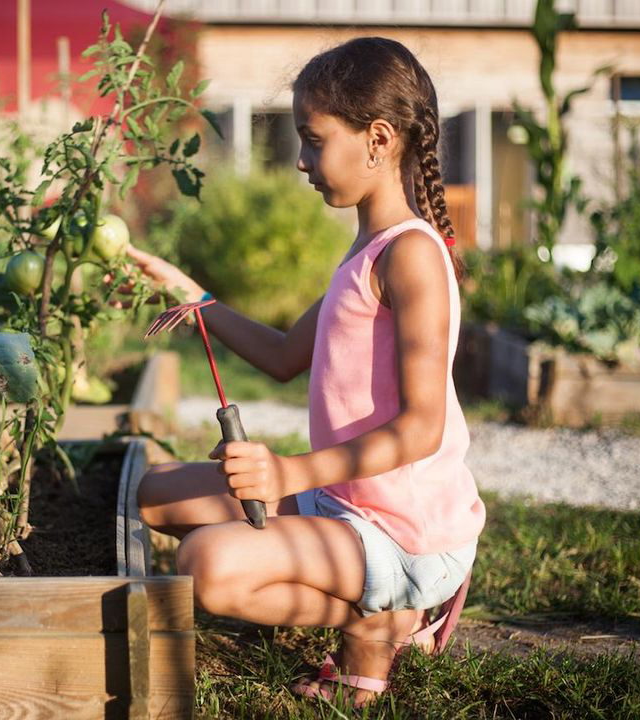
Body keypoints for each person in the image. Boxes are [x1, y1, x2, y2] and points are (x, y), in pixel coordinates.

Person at [114, 37, 486, 710]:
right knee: (154, 493)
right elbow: (286, 355)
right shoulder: (367, 249)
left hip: (406, 533)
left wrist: (287, 475)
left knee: (204, 566)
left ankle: (381, 624)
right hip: (347, 503)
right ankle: (368, 603)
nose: (301, 160)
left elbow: (421, 430)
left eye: (314, 141)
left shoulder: (412, 258)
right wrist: (195, 299)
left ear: (378, 138)